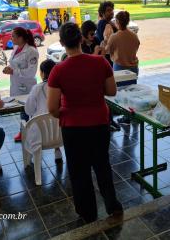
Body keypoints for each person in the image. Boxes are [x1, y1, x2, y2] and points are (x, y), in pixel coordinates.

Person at [47, 22, 123, 223]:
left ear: (62, 43)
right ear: (81, 39)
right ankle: (112, 205)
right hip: (99, 123)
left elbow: (52, 108)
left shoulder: (58, 70)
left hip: (73, 128)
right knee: (102, 165)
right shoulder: (100, 63)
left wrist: (67, 113)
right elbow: (111, 91)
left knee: (79, 171)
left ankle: (87, 212)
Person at [3, 27, 39, 141]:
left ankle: (32, 133)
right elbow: (15, 64)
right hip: (17, 84)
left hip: (27, 85)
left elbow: (31, 72)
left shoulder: (31, 51)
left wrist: (13, 71)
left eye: (13, 36)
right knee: (22, 109)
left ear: (21, 38)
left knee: (29, 110)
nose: (11, 38)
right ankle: (23, 131)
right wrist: (9, 68)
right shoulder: (16, 48)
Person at [24, 59, 62, 161]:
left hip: (41, 135)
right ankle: (57, 151)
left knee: (32, 122)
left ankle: (34, 155)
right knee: (55, 121)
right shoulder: (62, 86)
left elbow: (28, 110)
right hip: (61, 135)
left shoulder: (37, 88)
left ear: (43, 73)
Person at [96, 1, 120, 132]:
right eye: (108, 10)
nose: (111, 12)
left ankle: (109, 119)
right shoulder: (104, 25)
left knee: (108, 91)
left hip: (109, 61)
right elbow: (107, 44)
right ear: (103, 12)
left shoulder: (109, 23)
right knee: (107, 91)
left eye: (112, 10)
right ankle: (108, 120)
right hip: (107, 61)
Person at [106, 11, 140, 86]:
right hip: (133, 69)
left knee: (119, 92)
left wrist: (106, 39)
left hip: (119, 68)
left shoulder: (114, 36)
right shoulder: (134, 35)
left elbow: (107, 51)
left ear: (117, 21)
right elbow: (136, 46)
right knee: (132, 90)